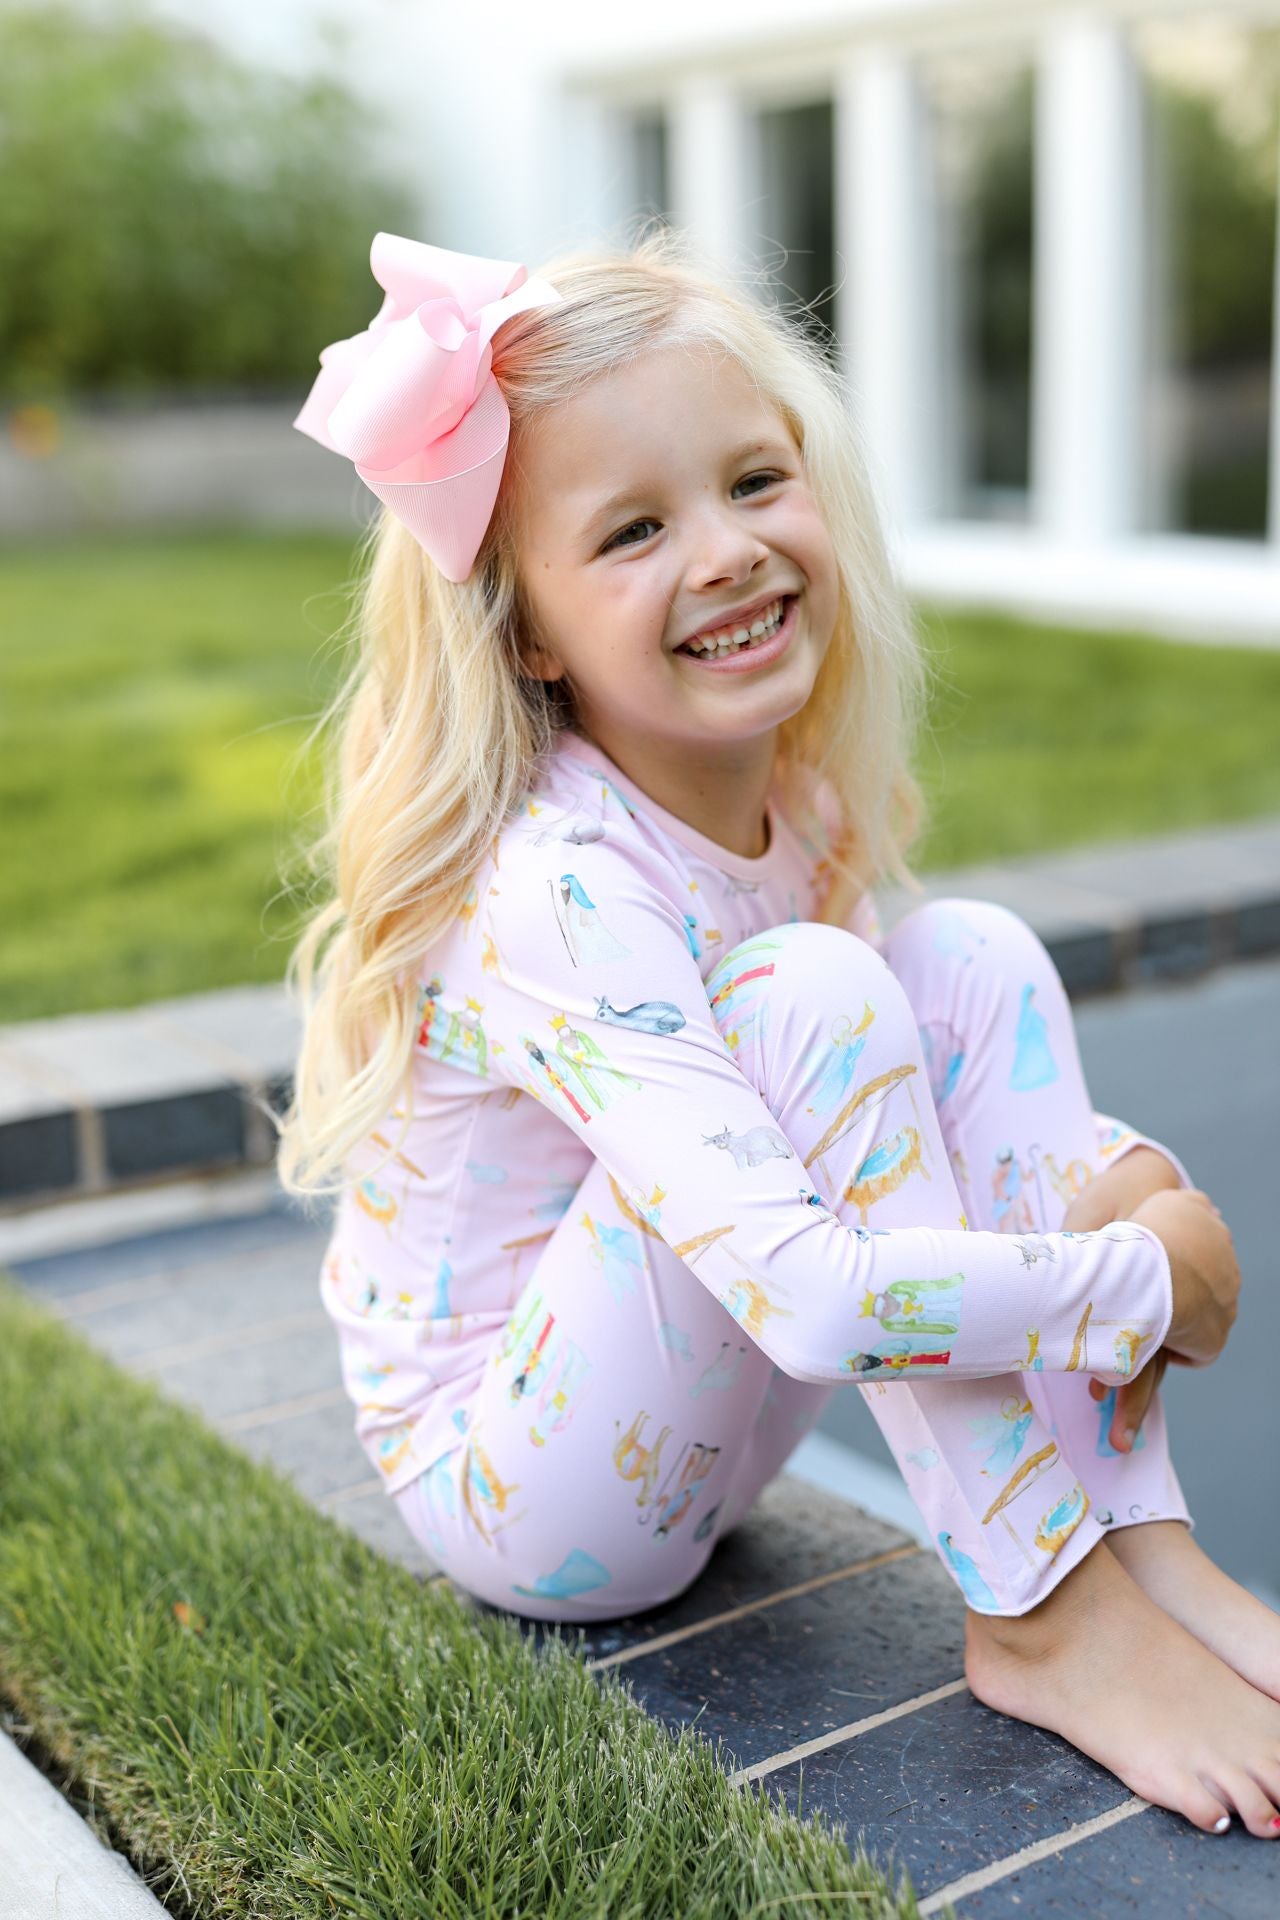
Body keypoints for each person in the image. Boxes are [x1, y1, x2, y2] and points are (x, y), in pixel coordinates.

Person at [275, 227, 1279, 1840]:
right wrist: (1140, 1279)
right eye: (635, 530)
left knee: (960, 955)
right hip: (527, 1490)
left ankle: (1137, 1546)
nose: (728, 551)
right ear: (529, 631)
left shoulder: (795, 811)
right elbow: (817, 1297)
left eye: (754, 481)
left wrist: (1130, 1173)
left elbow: (922, 1130)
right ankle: (1044, 1613)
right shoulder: (560, 888)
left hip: (717, 1422)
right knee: (817, 994)